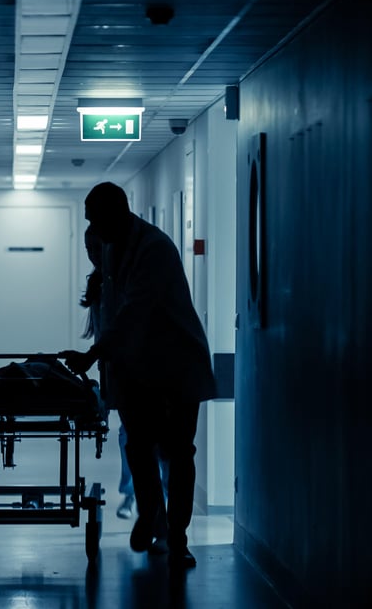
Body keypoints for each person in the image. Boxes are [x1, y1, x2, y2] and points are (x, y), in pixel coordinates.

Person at [62, 182, 216, 569]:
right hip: (135, 369)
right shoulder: (112, 247)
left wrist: (95, 355)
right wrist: (106, 373)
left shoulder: (155, 249)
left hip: (176, 367)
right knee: (138, 448)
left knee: (180, 454)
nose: (93, 229)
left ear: (118, 212)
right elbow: (112, 315)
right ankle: (152, 516)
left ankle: (177, 539)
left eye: (96, 220)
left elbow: (135, 312)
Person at [80, 225, 168, 548]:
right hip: (125, 378)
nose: (94, 256)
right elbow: (103, 338)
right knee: (133, 443)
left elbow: (128, 328)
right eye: (89, 250)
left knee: (161, 449)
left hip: (154, 375)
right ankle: (150, 514)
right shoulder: (99, 285)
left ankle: (163, 523)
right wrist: (106, 392)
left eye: (97, 249)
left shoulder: (136, 275)